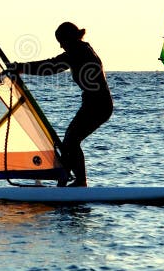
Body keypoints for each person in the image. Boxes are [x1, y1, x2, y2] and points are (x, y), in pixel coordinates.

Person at [9, 22, 113, 187]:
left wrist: (21, 67)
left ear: (70, 39)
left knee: (71, 140)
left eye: (61, 41)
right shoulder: (80, 49)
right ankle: (64, 181)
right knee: (70, 140)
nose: (60, 45)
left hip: (98, 106)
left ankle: (78, 182)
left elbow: (50, 66)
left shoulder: (78, 51)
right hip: (93, 104)